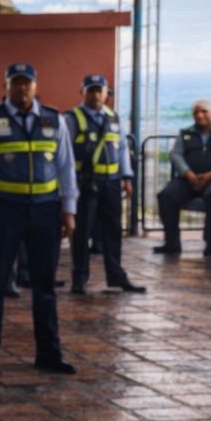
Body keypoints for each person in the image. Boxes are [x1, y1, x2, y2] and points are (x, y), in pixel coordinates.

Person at [0, 63, 77, 376]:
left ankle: (49, 353)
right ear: (6, 86)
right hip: (3, 211)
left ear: (35, 85)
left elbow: (66, 167)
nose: (21, 89)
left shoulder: (54, 119)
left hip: (46, 211)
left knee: (45, 287)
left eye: (26, 83)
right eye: (16, 83)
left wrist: (69, 209)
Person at [64, 75, 144, 294]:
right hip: (85, 182)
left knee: (113, 231)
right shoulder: (72, 118)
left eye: (100, 90)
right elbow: (65, 155)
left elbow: (121, 150)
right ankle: (79, 279)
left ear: (107, 93)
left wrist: (126, 177)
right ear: (82, 92)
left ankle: (116, 276)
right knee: (81, 232)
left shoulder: (114, 118)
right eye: (91, 90)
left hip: (111, 182)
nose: (96, 95)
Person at [155, 98, 211, 257]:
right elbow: (176, 154)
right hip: (188, 177)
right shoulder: (186, 132)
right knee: (166, 196)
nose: (199, 115)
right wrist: (188, 173)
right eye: (196, 112)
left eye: (204, 111)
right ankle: (172, 243)